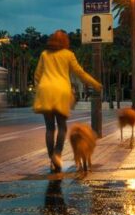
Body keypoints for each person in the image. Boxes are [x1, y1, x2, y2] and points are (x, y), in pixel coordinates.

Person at [32, 30, 102, 173]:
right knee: (62, 127)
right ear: (65, 42)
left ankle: (52, 157)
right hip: (61, 92)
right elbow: (80, 73)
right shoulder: (68, 55)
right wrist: (95, 83)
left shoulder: (44, 54)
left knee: (50, 128)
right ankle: (57, 154)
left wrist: (41, 87)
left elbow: (37, 75)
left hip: (46, 92)